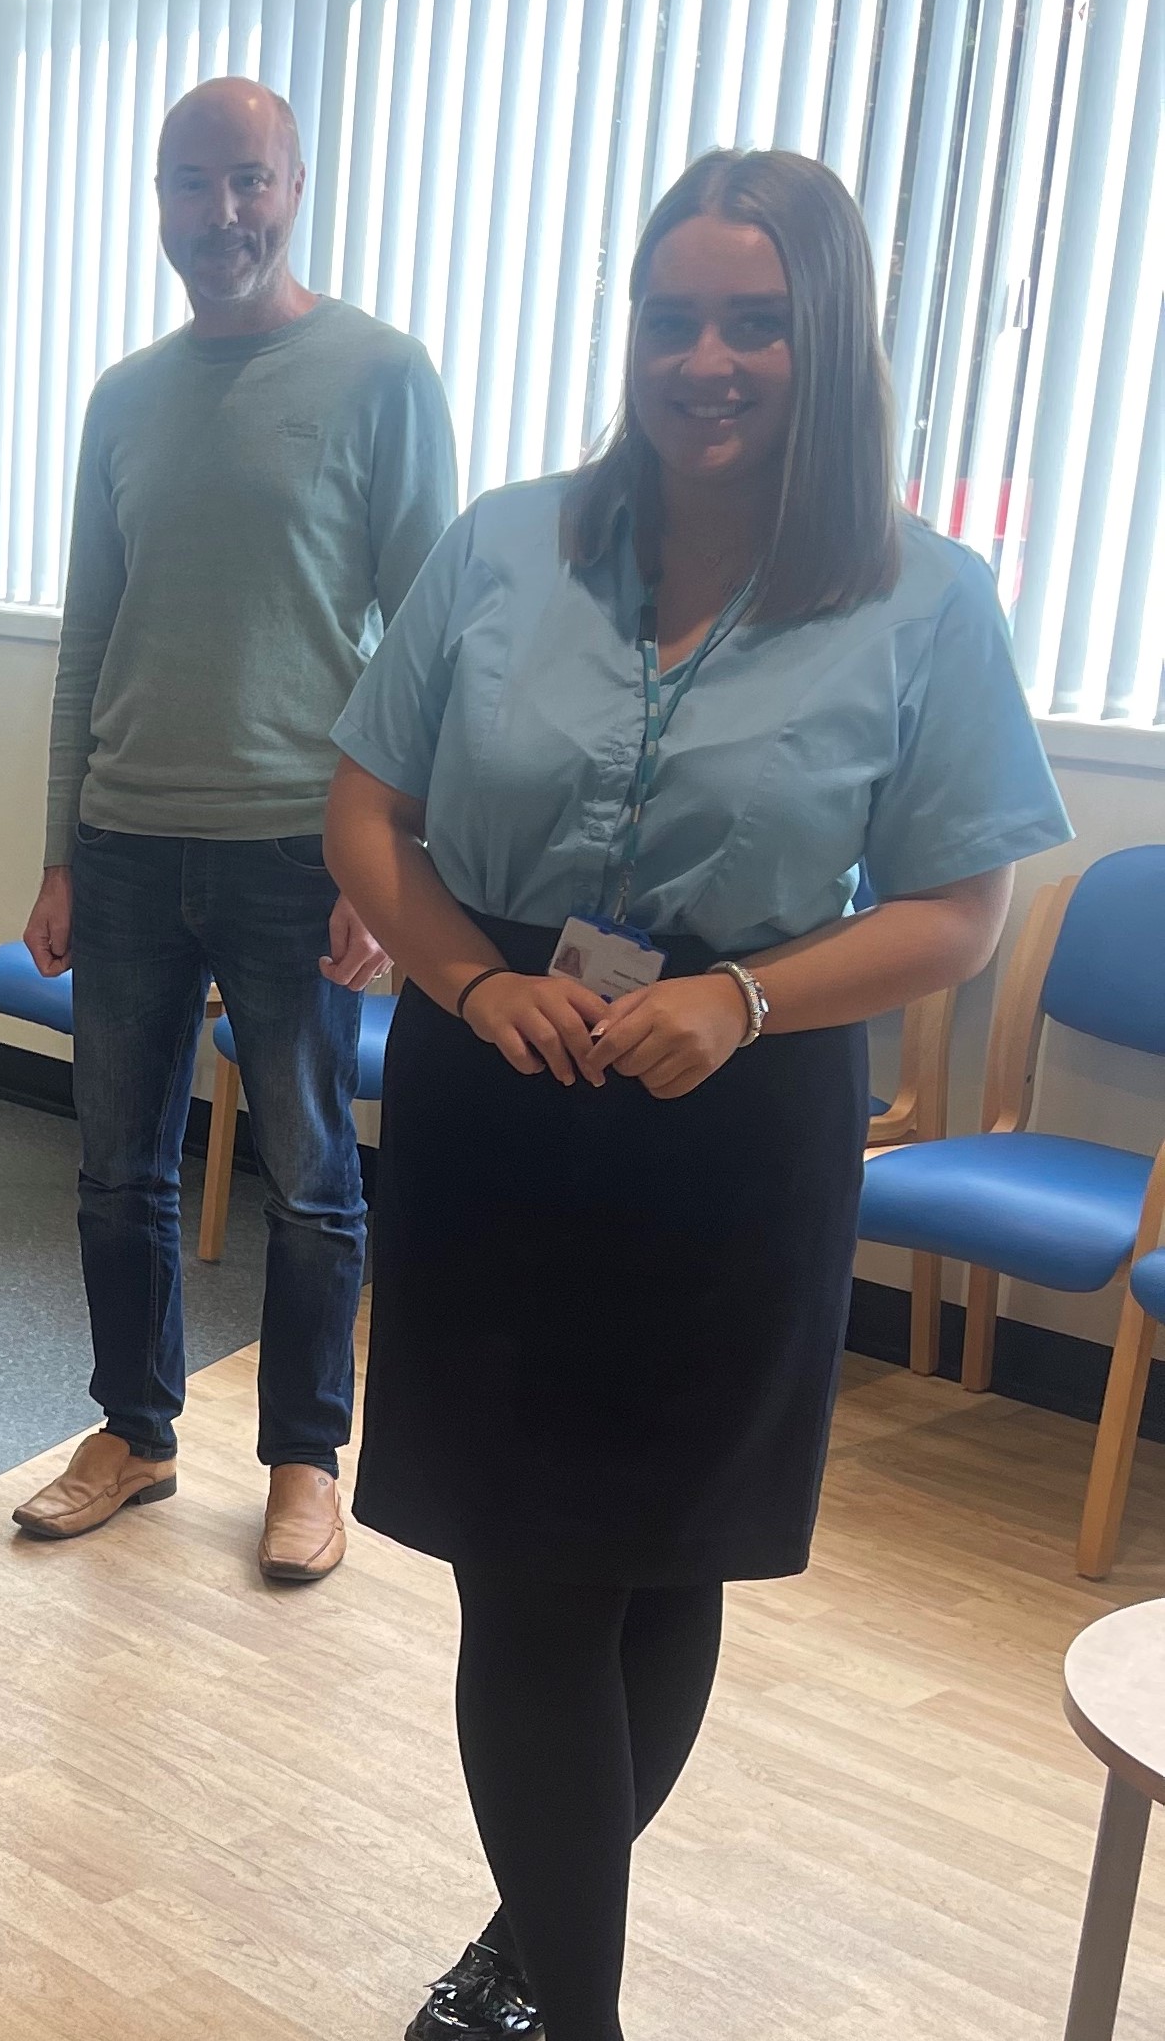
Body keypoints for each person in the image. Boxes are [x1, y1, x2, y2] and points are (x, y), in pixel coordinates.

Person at [323, 152, 1070, 2041]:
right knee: (527, 1575)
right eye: (673, 318)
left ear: (828, 345)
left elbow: (955, 911)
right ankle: (579, 2003)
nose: (707, 359)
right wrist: (474, 976)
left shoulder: (925, 597)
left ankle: (524, 1949)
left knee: (668, 1555)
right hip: (499, 1087)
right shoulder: (503, 544)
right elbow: (366, 809)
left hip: (738, 1116)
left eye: (756, 320)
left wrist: (743, 997)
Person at [11, 80, 457, 1576]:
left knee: (314, 1175)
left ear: (296, 186)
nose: (220, 215)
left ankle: (302, 1460)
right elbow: (91, 636)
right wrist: (64, 850)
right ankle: (134, 1433)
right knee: (114, 1169)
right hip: (130, 837)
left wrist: (394, 873)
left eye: (246, 182)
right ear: (158, 199)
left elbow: (425, 649)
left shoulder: (383, 375)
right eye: (191, 185)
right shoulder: (122, 398)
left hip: (300, 849)